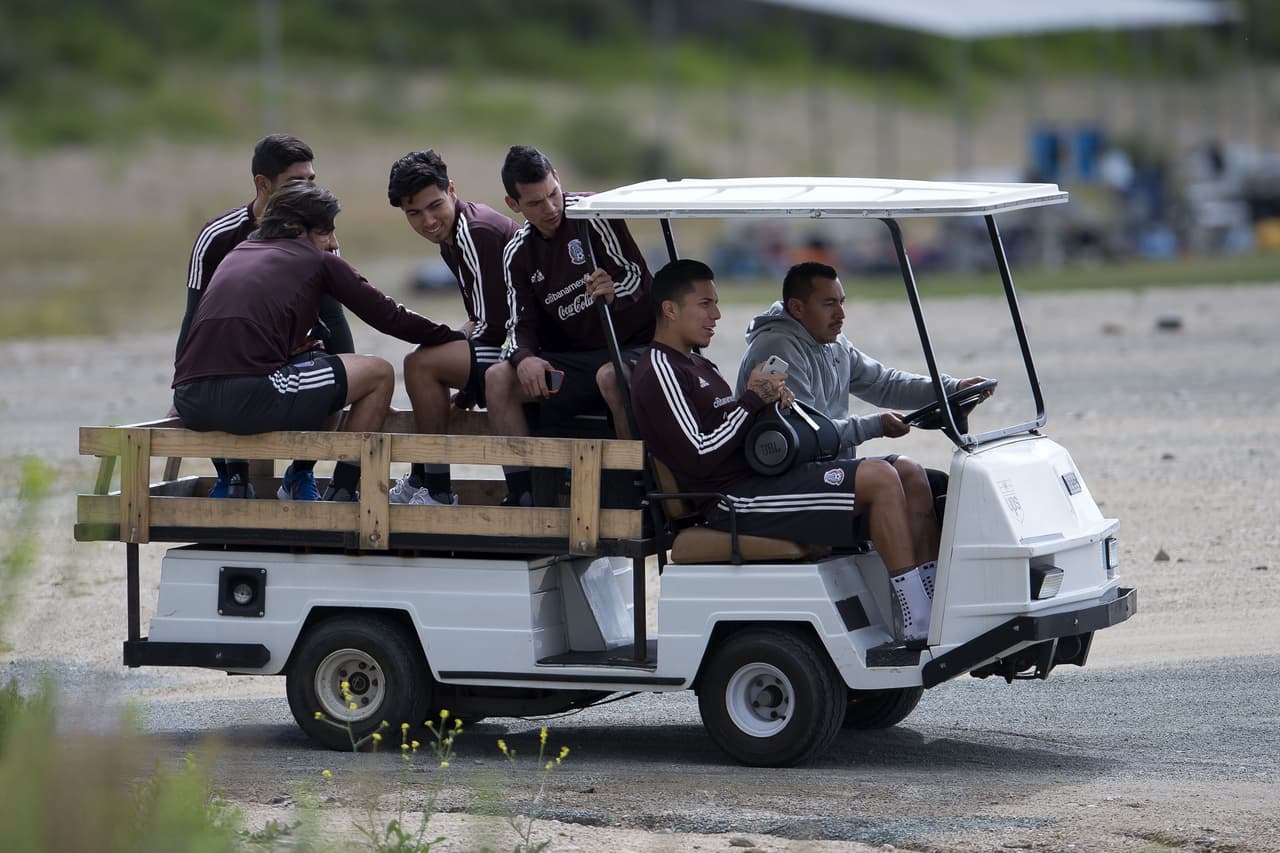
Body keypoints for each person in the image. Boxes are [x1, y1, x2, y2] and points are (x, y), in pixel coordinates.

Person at [631, 259, 935, 645]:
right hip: (730, 499)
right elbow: (700, 452)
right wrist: (752, 400)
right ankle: (917, 620)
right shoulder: (661, 369)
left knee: (909, 471)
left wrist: (772, 405)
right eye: (705, 304)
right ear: (670, 309)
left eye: (716, 304)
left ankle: (931, 601)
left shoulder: (696, 363)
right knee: (880, 477)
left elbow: (730, 425)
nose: (716, 315)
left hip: (759, 481)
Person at [172, 182, 464, 501]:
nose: (333, 242)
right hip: (250, 396)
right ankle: (342, 492)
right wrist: (453, 337)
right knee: (379, 374)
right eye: (326, 232)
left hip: (189, 399)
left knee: (318, 360)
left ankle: (237, 482)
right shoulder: (315, 260)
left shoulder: (236, 254)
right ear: (297, 229)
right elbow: (387, 315)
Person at [735, 261, 994, 571]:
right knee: (886, 476)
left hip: (823, 467)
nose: (841, 314)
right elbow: (806, 432)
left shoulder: (834, 344)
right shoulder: (778, 347)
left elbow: (883, 383)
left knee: (914, 474)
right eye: (829, 304)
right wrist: (876, 425)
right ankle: (911, 595)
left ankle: (929, 589)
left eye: (841, 302)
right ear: (797, 308)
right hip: (788, 475)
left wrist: (952, 388)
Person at [176, 133, 355, 501]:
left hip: (292, 357)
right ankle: (233, 478)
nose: (307, 189)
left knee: (327, 364)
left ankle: (300, 474)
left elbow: (334, 319)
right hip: (234, 359)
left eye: (311, 180)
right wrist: (183, 379)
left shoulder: (317, 232)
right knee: (215, 373)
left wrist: (351, 378)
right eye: (295, 181)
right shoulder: (218, 235)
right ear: (263, 183)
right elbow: (193, 319)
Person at [485, 145, 654, 506]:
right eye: (535, 203)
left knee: (611, 376)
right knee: (497, 378)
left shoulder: (594, 214)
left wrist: (613, 291)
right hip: (578, 365)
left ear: (558, 179)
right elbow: (517, 326)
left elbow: (639, 278)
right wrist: (524, 359)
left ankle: (640, 494)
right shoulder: (517, 252)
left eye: (553, 194)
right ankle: (523, 497)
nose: (550, 208)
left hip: (632, 348)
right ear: (513, 204)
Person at [385, 149, 518, 506]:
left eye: (435, 206)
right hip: (509, 341)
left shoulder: (474, 231)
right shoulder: (452, 236)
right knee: (428, 357)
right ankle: (423, 479)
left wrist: (466, 387)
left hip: (532, 348)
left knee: (421, 364)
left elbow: (493, 326)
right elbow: (481, 317)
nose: (428, 221)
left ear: (452, 191)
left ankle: (436, 490)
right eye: (414, 213)